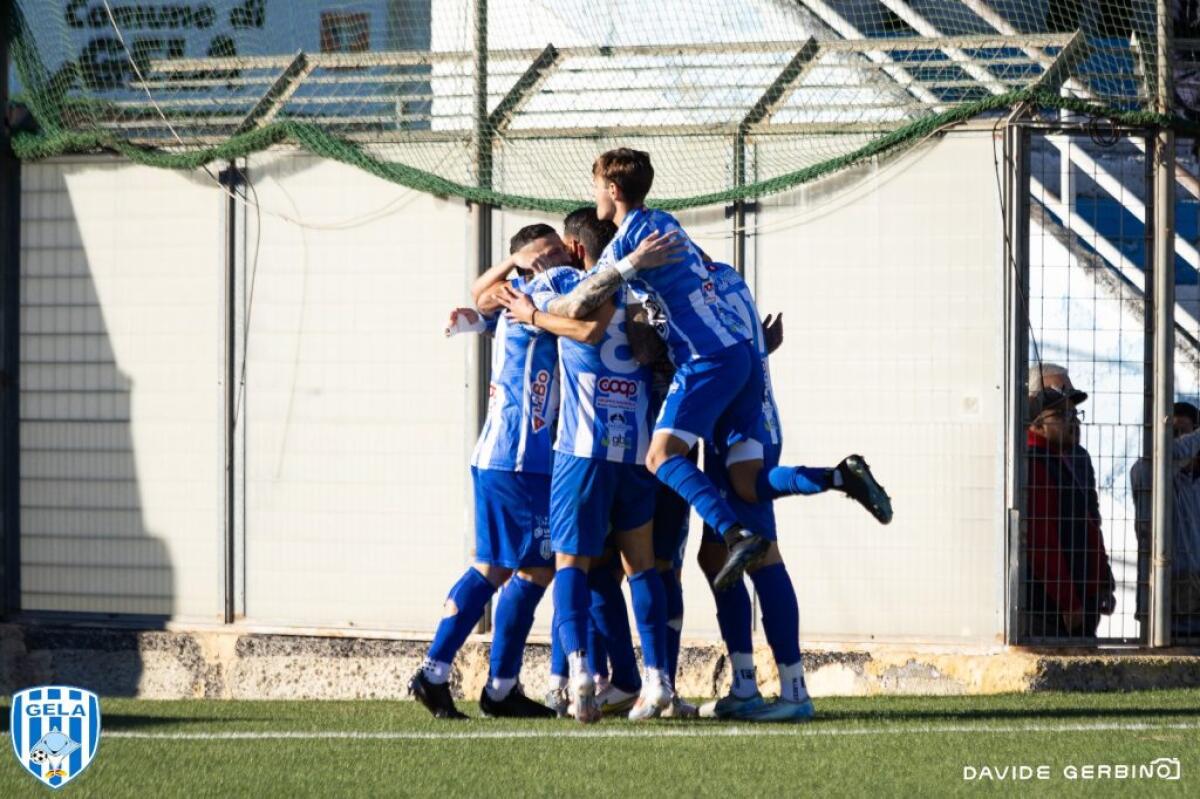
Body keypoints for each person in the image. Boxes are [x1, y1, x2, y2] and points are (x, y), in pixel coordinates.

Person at [538, 148, 889, 594]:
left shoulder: (629, 242)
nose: (595, 198)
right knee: (746, 484)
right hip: (743, 357)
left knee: (660, 457)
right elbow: (703, 277)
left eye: (595, 188)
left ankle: (736, 534)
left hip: (706, 361)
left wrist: (540, 309)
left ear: (611, 190)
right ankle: (838, 476)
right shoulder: (665, 222)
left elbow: (575, 305)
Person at [496, 210, 682, 722]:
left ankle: (578, 673)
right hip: (636, 447)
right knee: (641, 566)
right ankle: (658, 682)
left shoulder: (562, 279)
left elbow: (582, 327)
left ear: (576, 249)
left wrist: (531, 313)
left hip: (582, 449)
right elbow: (646, 350)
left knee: (570, 565)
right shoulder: (644, 292)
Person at [408, 225, 571, 720]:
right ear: (540, 255)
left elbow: (479, 297)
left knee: (531, 568)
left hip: (515, 457)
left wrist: (508, 272)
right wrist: (522, 264)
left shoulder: (517, 297)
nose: (565, 255)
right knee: (498, 568)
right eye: (556, 249)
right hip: (517, 458)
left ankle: (496, 686)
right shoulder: (549, 287)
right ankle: (440, 674)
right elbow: (485, 296)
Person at [1025, 363, 1116, 639]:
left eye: (1074, 413)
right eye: (1062, 414)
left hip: (1079, 592)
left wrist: (1102, 579)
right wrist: (1068, 600)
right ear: (1037, 423)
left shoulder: (1070, 458)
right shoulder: (1035, 463)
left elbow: (1089, 520)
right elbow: (1042, 539)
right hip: (1055, 604)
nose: (1072, 421)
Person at [1130, 401, 1200, 636]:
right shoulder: (1147, 472)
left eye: (1182, 434)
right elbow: (1163, 459)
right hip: (1161, 604)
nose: (1177, 441)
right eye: (1170, 434)